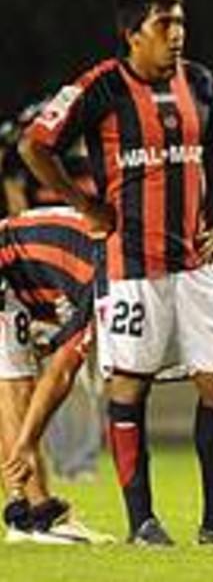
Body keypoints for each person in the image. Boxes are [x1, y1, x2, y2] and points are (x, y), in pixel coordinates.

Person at [17, 0, 213, 547]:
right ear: (132, 35)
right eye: (163, 24)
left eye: (180, 22)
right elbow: (35, 145)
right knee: (130, 385)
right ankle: (143, 523)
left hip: (194, 265)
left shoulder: (199, 82)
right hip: (130, 265)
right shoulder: (99, 86)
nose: (176, 34)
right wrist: (84, 205)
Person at [0, 99, 102, 484]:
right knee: (23, 379)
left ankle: (70, 467)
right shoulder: (25, 166)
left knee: (74, 377)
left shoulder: (94, 162)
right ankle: (32, 484)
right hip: (32, 272)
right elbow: (17, 213)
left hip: (66, 271)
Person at [0, 208, 111, 544]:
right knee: (16, 388)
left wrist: (53, 341)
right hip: (9, 267)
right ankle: (40, 517)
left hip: (20, 270)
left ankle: (22, 514)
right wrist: (26, 442)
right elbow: (62, 372)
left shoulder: (104, 256)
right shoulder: (106, 278)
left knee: (13, 389)